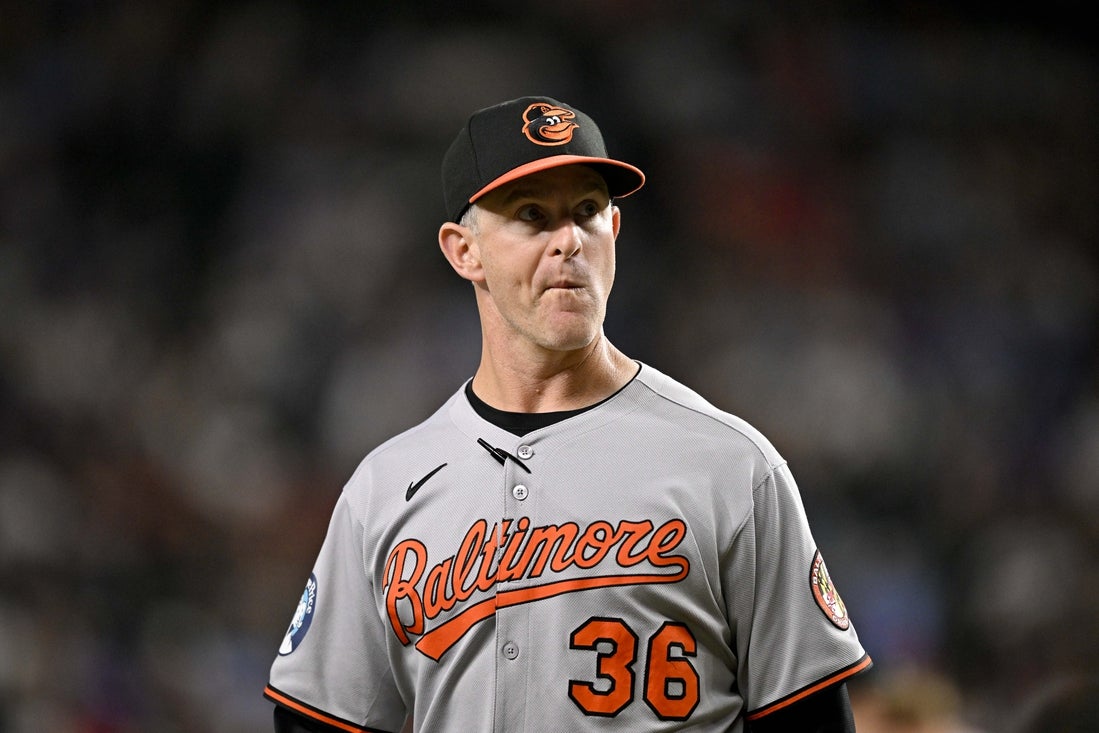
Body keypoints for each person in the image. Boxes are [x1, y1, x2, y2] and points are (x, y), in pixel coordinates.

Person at [263, 96, 871, 732]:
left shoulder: (730, 467)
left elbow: (811, 721)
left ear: (615, 229)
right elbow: (318, 721)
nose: (569, 241)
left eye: (586, 212)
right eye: (532, 215)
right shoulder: (385, 488)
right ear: (464, 251)